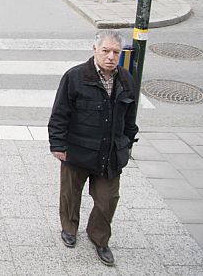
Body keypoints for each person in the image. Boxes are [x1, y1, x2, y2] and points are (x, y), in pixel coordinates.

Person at [48, 30, 138, 267]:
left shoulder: (126, 80)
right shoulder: (75, 77)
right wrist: (58, 145)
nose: (110, 56)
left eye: (115, 52)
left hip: (110, 154)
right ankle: (69, 228)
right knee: (70, 195)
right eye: (106, 50)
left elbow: (129, 119)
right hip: (77, 150)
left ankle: (99, 237)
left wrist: (127, 143)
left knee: (108, 199)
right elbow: (59, 114)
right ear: (95, 49)